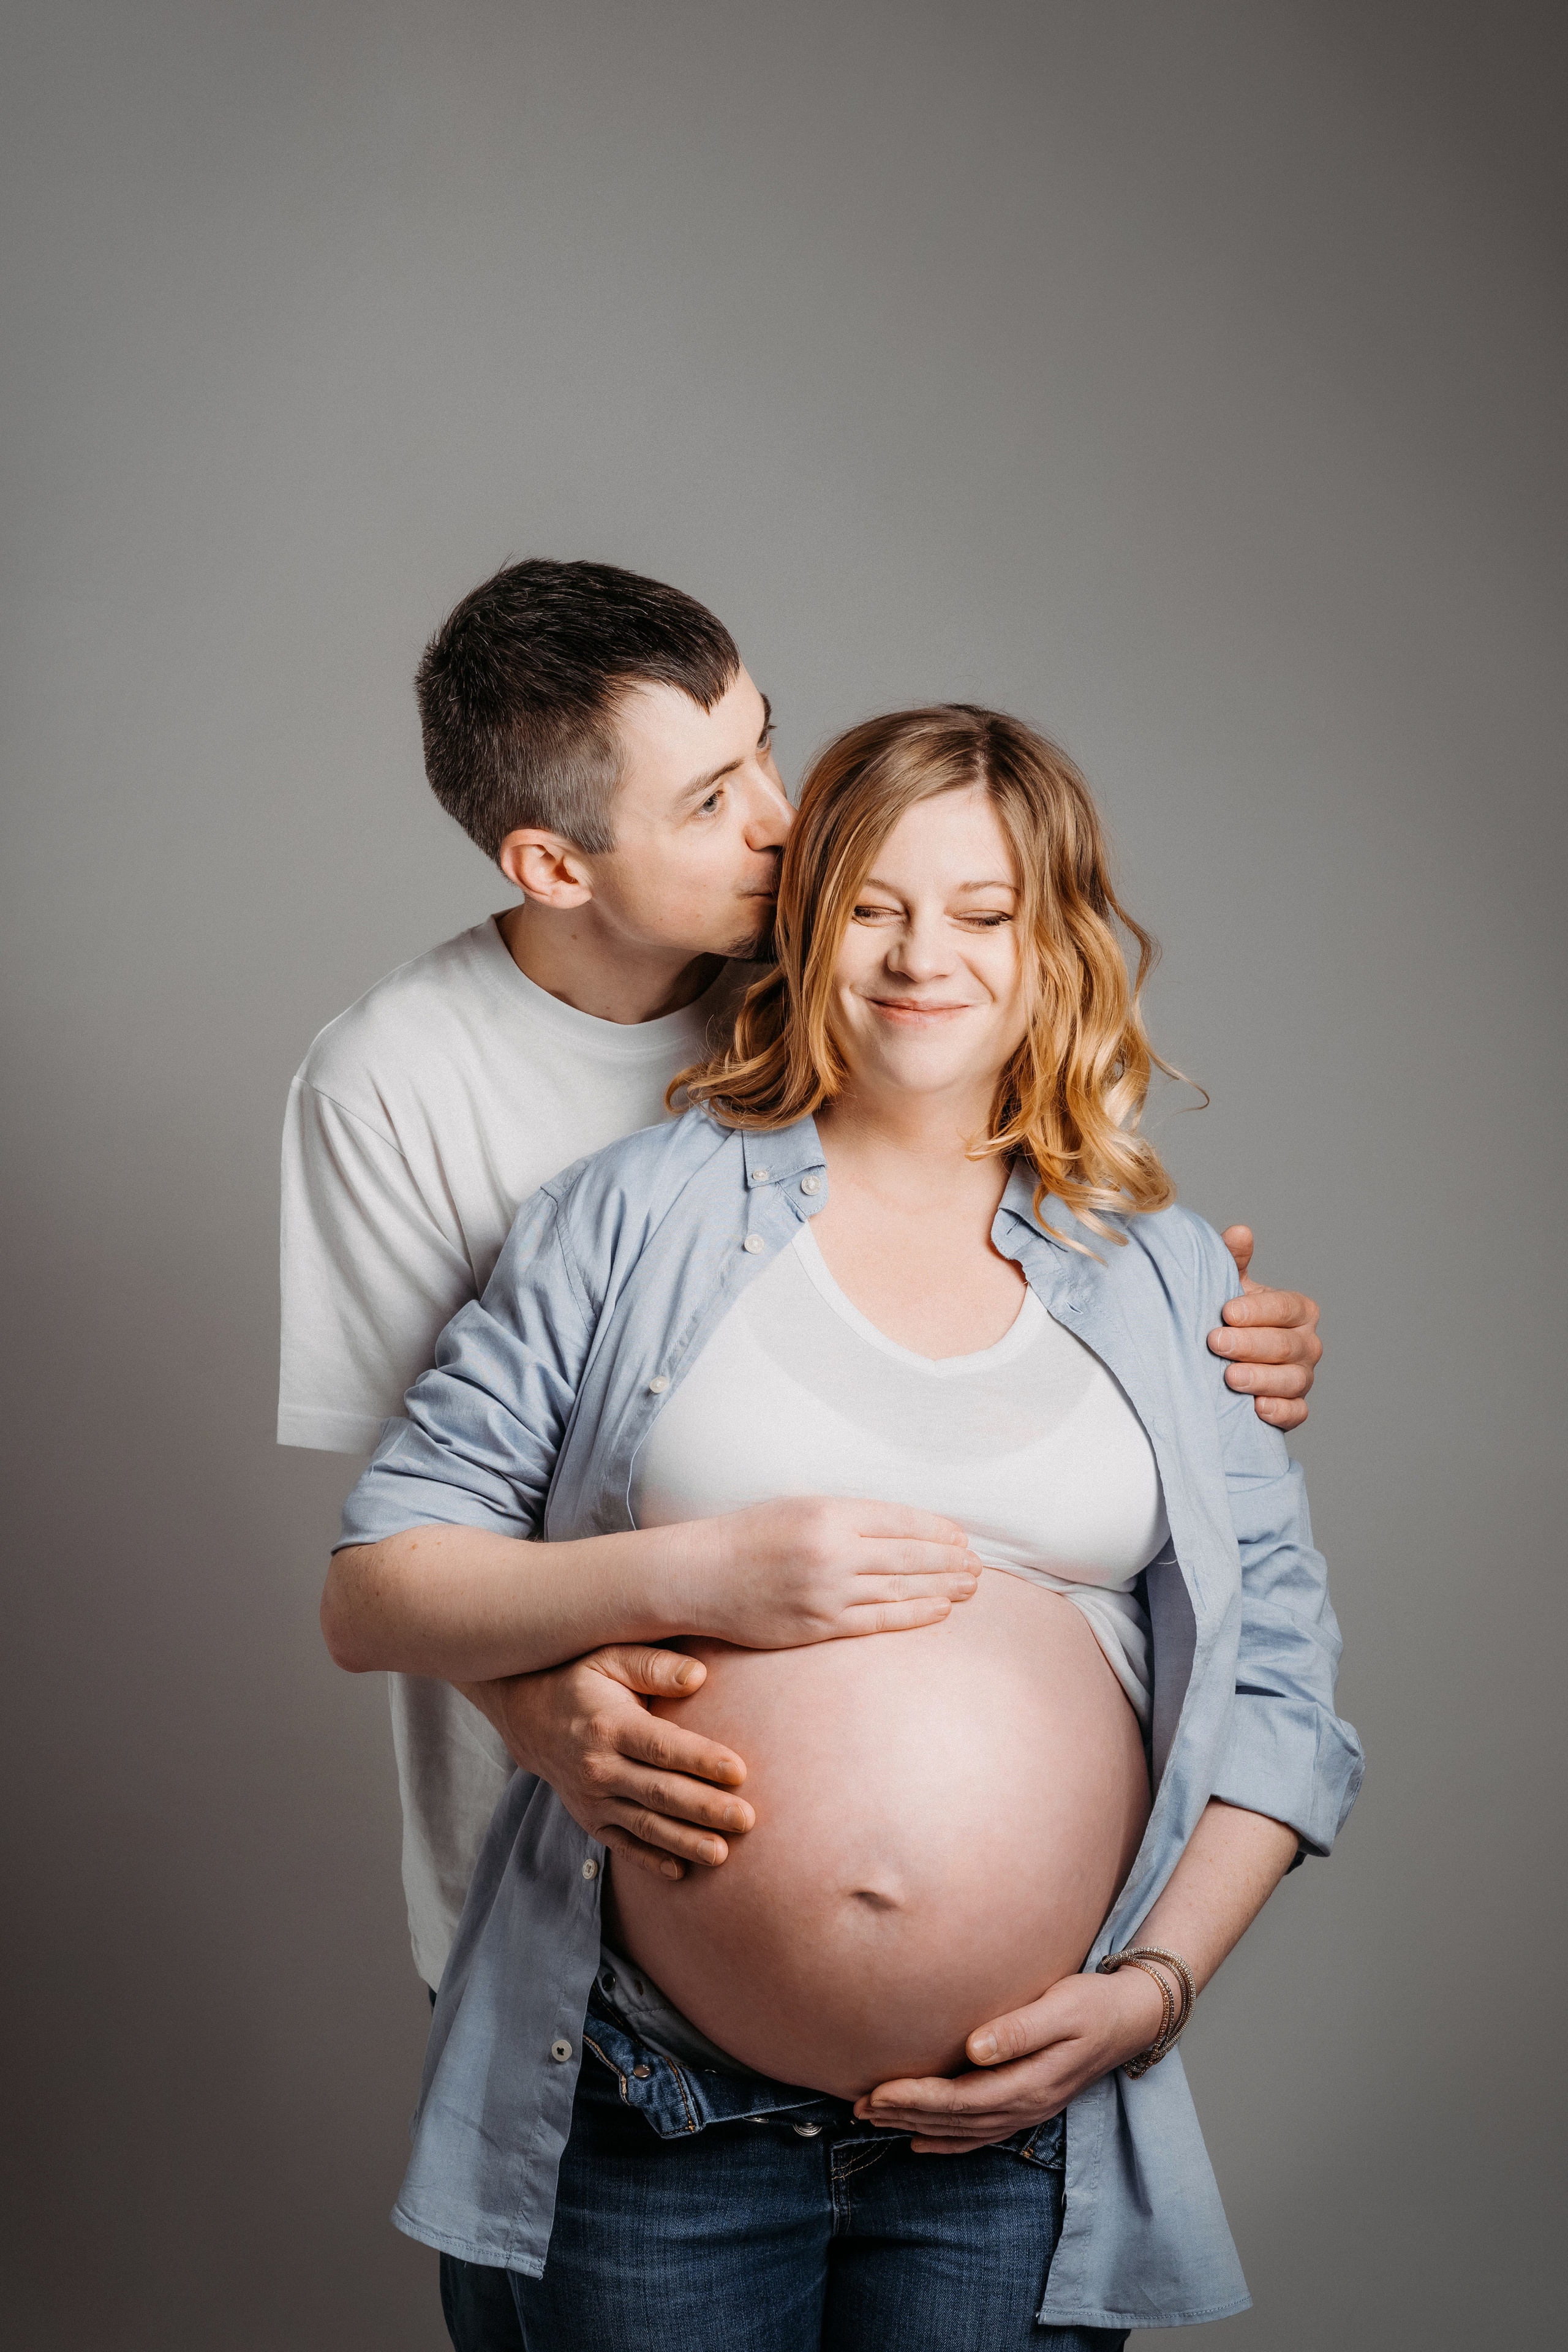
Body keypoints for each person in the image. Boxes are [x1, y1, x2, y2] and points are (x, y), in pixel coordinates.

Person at [324, 704, 1362, 2348]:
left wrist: (1148, 1995)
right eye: (872, 901)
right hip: (652, 2105)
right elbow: (378, 1584)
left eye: (980, 911)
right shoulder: (633, 1218)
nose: (917, 956)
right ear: (806, 923)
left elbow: (1285, 1703)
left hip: (1016, 2127)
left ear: (1056, 943)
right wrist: (709, 1571)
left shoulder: (1166, 1279)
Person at [280, 560, 1326, 2014]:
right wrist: (547, 1708)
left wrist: (1218, 1340)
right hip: (587, 1899)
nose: (783, 821)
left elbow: (1090, 1267)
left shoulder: (881, 957)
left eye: (761, 742)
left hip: (1017, 2008)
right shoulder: (402, 1086)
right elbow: (417, 1552)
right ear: (553, 867)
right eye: (707, 801)